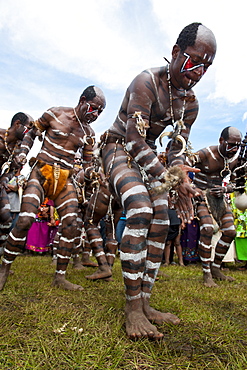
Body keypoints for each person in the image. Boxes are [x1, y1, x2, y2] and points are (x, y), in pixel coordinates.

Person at [99, 22, 217, 340]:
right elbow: (135, 141)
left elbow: (176, 152)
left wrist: (181, 178)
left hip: (148, 155)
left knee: (162, 220)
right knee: (139, 209)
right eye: (194, 61)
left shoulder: (190, 104)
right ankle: (132, 308)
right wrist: (170, 178)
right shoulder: (147, 81)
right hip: (119, 146)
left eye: (207, 66)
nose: (199, 71)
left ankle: (146, 302)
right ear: (176, 52)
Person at [0, 85, 106, 291]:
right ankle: (4, 268)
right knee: (25, 219)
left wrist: (91, 174)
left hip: (65, 179)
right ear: (83, 100)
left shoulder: (89, 134)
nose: (96, 115)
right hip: (41, 172)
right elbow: (31, 133)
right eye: (94, 108)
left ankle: (60, 276)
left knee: (72, 224)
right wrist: (23, 152)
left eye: (100, 112)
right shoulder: (54, 113)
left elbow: (86, 164)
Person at [191, 126, 242, 287]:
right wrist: (192, 188)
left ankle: (215, 268)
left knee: (230, 231)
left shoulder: (234, 160)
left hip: (218, 198)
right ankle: (206, 274)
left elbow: (236, 183)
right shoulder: (206, 153)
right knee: (207, 228)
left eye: (238, 146)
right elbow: (182, 167)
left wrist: (225, 189)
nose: (234, 149)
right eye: (231, 144)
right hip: (200, 197)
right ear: (221, 140)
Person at [0, 112, 34, 249]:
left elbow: (12, 171)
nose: (28, 133)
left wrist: (4, 179)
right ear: (17, 124)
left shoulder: (18, 149)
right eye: (27, 129)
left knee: (6, 219)